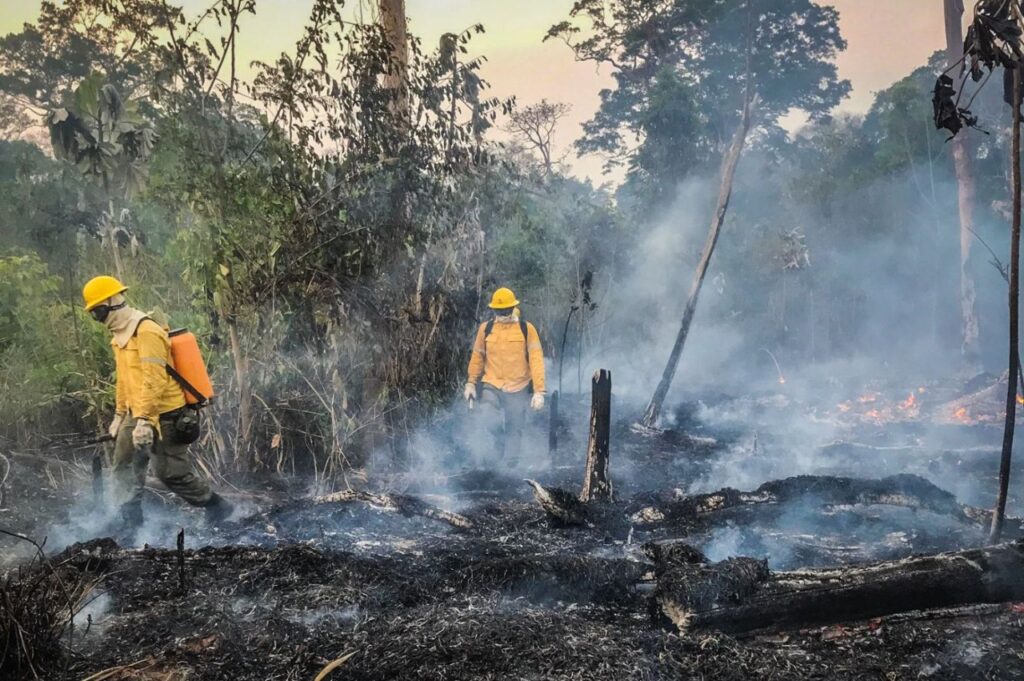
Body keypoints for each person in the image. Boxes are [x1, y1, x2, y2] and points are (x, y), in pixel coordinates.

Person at [81, 275, 232, 527]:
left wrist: (145, 421)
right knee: (123, 466)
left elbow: (155, 379)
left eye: (99, 312)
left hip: (167, 414)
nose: (100, 320)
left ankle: (216, 506)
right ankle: (131, 523)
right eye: (95, 314)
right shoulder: (119, 336)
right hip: (136, 412)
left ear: (112, 302)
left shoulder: (147, 332)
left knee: (171, 474)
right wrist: (120, 415)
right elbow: (124, 379)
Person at [464, 287, 546, 462]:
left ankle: (510, 469)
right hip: (492, 384)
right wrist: (470, 383)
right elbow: (477, 356)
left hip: (519, 387)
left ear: (513, 308)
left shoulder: (526, 329)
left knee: (514, 428)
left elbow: (536, 360)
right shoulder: (486, 329)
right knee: (487, 415)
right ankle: (499, 442)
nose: (503, 314)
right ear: (494, 310)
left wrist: (539, 392)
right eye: (500, 311)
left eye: (506, 310)